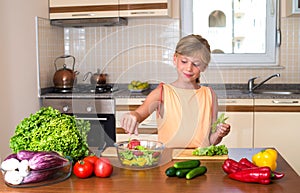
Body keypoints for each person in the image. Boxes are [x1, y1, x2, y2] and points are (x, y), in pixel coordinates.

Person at [121, 34, 231, 148]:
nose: (189, 68)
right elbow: (139, 113)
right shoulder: (162, 92)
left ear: (204, 67)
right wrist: (133, 116)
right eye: (184, 61)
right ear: (175, 59)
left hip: (199, 160)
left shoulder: (210, 95)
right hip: (169, 159)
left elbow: (211, 140)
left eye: (196, 64)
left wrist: (219, 134)